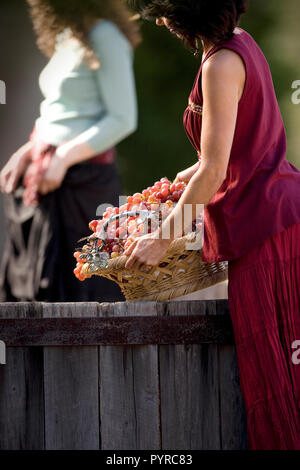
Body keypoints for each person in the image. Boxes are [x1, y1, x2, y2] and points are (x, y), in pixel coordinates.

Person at [126, 0, 300, 450]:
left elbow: (216, 171)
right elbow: (237, 146)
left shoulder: (221, 63)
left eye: (164, 9)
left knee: (276, 374)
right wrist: (196, 169)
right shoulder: (238, 45)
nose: (160, 19)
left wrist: (162, 239)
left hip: (269, 230)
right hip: (278, 216)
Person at [0, 0, 140, 302]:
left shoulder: (106, 36)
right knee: (34, 292)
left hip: (85, 186)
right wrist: (27, 151)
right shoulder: (68, 36)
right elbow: (64, 112)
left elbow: (123, 119)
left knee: (87, 287)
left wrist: (63, 157)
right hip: (48, 181)